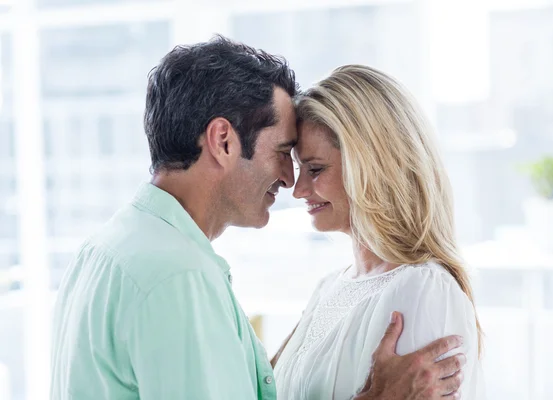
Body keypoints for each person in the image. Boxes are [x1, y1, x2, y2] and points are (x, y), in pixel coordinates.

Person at [50, 36, 466, 400]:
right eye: (283, 153)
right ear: (223, 141)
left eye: (311, 167)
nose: (290, 181)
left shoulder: (105, 250)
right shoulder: (178, 277)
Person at [273, 65, 485, 399]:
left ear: (371, 165)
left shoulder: (424, 290)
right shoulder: (329, 289)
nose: (298, 190)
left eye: (315, 169)